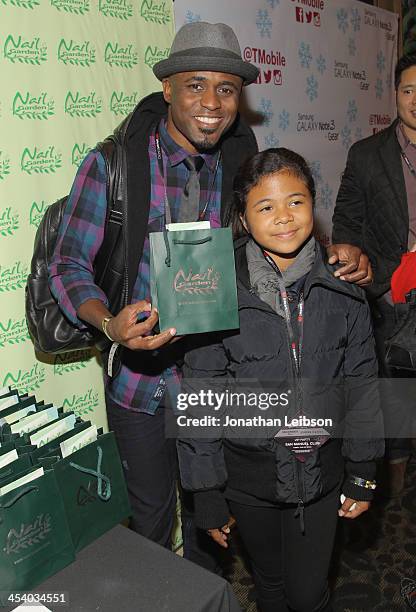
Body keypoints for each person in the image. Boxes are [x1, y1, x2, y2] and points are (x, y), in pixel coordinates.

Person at [48, 21, 259, 569]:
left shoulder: (241, 172)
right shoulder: (115, 164)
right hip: (141, 387)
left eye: (227, 88)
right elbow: (68, 263)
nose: (212, 102)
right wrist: (108, 322)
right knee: (150, 526)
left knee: (212, 523)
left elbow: (269, 251)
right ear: (167, 89)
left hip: (216, 381)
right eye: (195, 84)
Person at [177, 148, 384, 612]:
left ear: (314, 204)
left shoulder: (344, 284)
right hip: (250, 476)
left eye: (296, 201)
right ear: (245, 220)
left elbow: (363, 386)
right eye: (265, 207)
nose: (285, 217)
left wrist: (363, 472)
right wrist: (206, 490)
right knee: (269, 585)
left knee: (309, 594)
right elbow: (201, 393)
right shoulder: (212, 287)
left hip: (322, 471)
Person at [332, 53, 416, 496]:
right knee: (394, 390)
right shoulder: (366, 156)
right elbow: (345, 221)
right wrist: (356, 262)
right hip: (390, 293)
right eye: (408, 90)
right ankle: (397, 468)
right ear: (395, 95)